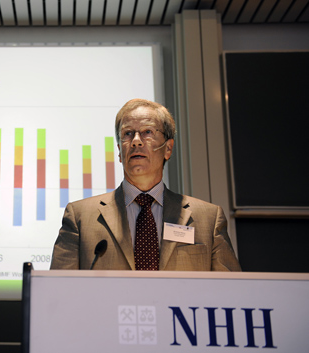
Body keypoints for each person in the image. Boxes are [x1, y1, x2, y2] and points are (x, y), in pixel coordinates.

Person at [50, 98, 241, 271]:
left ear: (168, 148)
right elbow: (56, 293)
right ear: (119, 152)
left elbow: (233, 294)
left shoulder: (208, 219)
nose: (135, 141)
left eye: (147, 132)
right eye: (127, 134)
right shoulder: (80, 217)